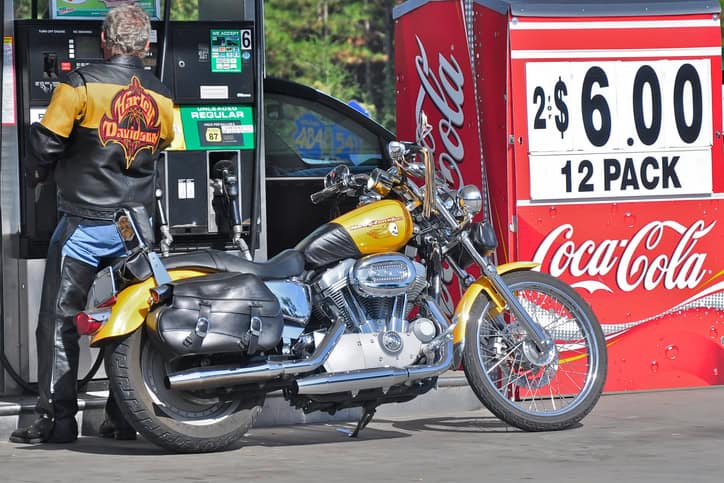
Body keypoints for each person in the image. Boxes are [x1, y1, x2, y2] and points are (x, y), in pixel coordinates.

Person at [10, 4, 174, 444]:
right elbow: (164, 144)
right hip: (137, 228)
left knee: (60, 318)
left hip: (84, 224)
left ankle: (57, 420)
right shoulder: (161, 95)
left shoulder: (79, 84)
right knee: (134, 319)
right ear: (145, 46)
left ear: (105, 41)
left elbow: (44, 144)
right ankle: (123, 420)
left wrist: (39, 170)